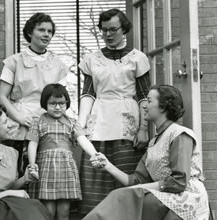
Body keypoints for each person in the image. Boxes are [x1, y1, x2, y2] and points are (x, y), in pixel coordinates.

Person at [84, 85, 210, 220]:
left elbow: (178, 182)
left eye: (149, 101)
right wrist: (107, 165)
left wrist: (140, 188)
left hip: (187, 199)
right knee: (120, 196)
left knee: (127, 199)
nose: (145, 106)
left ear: (163, 107)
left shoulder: (180, 135)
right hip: (167, 197)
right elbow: (135, 181)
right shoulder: (154, 143)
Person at [78, 8, 151, 213]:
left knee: (126, 174)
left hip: (126, 120)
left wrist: (143, 128)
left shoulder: (138, 58)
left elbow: (144, 96)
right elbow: (88, 94)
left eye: (113, 30)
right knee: (96, 175)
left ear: (124, 29)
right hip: (99, 119)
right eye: (104, 30)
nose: (108, 35)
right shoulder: (92, 59)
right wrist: (81, 123)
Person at [0, 12, 68, 174]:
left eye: (50, 31)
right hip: (19, 123)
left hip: (48, 122)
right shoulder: (14, 62)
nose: (46, 35)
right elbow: (1, 97)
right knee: (17, 171)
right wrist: (19, 117)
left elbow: (61, 100)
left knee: (46, 173)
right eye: (41, 30)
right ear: (30, 32)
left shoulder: (59, 65)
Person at [26, 84, 98, 220]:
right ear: (45, 104)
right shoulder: (38, 121)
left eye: (61, 103)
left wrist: (94, 154)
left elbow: (82, 139)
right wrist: (32, 164)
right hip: (46, 171)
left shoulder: (72, 122)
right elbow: (33, 143)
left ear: (67, 103)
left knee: (64, 212)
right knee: (48, 211)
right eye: (53, 103)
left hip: (66, 170)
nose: (57, 107)